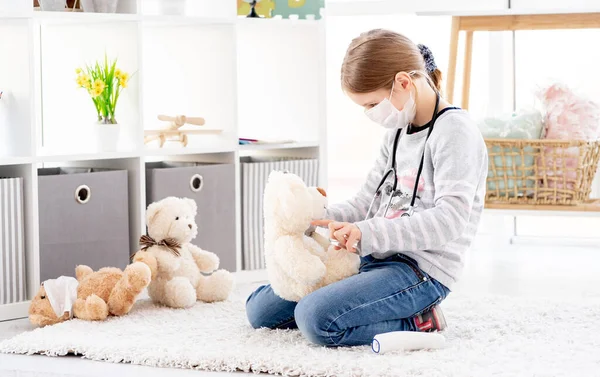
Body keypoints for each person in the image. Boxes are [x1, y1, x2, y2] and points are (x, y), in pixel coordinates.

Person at [245, 29, 488, 347]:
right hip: (374, 255)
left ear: (404, 82)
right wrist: (318, 216)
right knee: (261, 309)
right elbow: (367, 201)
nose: (370, 114)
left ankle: (418, 321)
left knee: (316, 319)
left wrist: (367, 234)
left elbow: (451, 220)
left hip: (420, 271)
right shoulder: (399, 130)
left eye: (372, 103)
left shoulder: (455, 132)